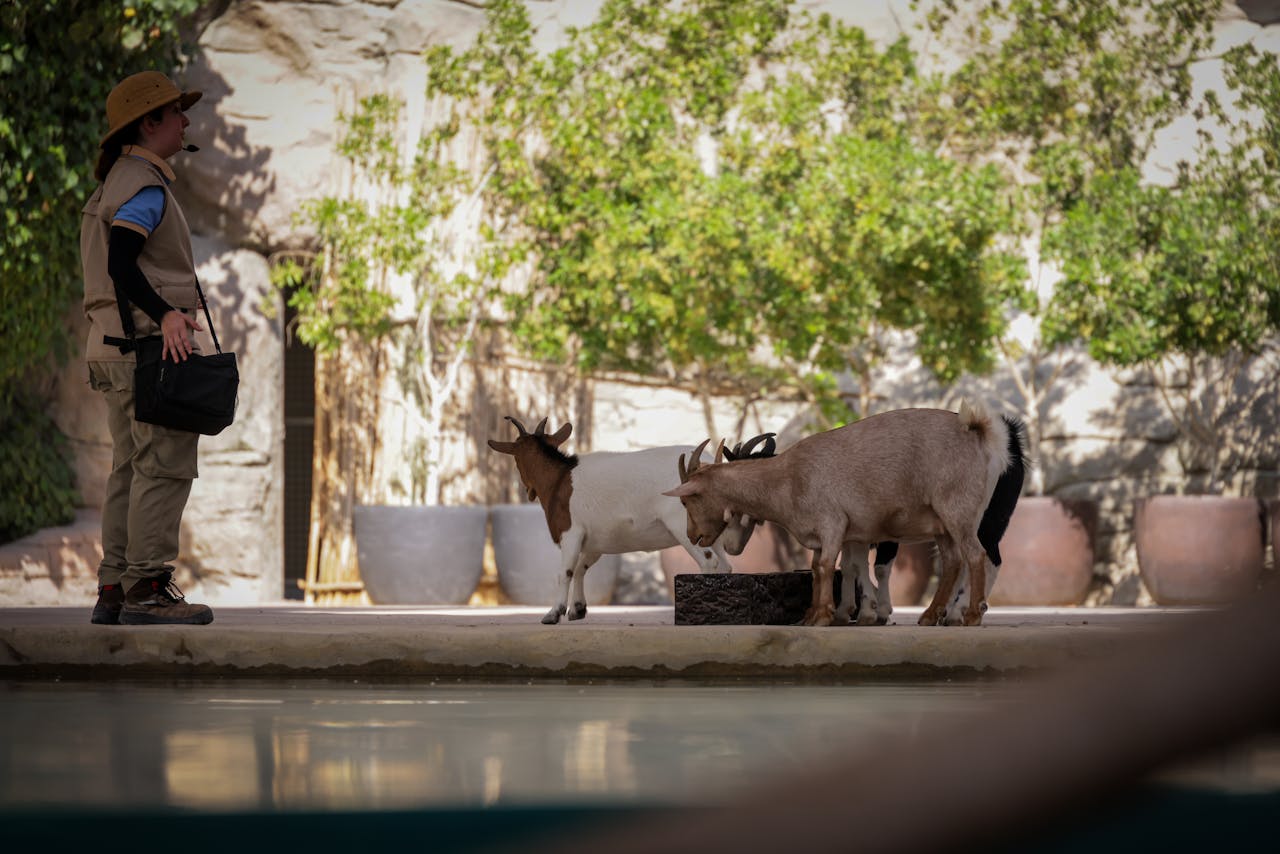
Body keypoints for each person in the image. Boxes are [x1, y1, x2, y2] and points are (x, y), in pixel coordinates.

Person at [81, 71, 214, 626]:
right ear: (148, 122)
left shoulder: (112, 183)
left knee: (130, 467)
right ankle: (147, 588)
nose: (185, 121)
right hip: (145, 352)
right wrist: (166, 316)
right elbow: (122, 263)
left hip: (111, 349)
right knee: (163, 465)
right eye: (175, 112)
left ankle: (113, 586)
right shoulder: (144, 186)